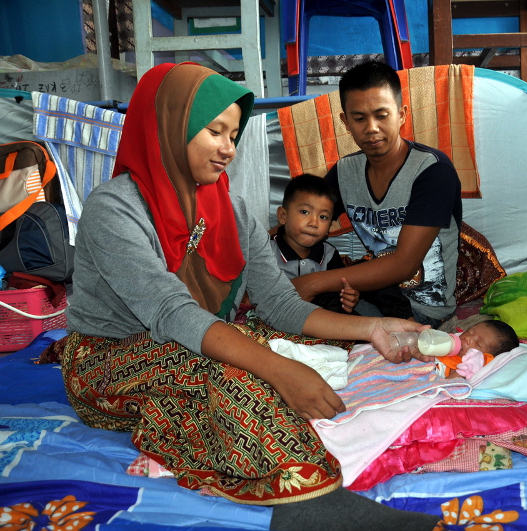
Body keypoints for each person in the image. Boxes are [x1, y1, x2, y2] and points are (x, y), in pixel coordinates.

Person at [56, 62, 439, 531]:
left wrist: (373, 328)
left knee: (295, 341)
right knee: (238, 367)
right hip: (108, 358)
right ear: (169, 126)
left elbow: (281, 305)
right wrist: (280, 371)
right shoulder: (113, 209)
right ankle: (308, 498)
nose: (227, 150)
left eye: (233, 135)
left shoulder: (229, 208)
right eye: (214, 132)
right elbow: (173, 313)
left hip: (184, 338)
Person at [290, 61, 462, 328]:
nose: (371, 128)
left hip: (423, 312)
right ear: (345, 122)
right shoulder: (346, 171)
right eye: (359, 118)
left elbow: (404, 264)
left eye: (382, 115)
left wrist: (311, 283)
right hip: (368, 295)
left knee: (307, 312)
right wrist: (264, 257)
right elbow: (301, 221)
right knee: (290, 309)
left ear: (402, 114)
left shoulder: (433, 171)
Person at [272, 173, 413, 318]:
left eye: (323, 217)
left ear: (329, 227)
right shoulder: (267, 251)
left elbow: (341, 291)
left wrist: (350, 296)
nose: (314, 223)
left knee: (376, 274)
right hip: (283, 315)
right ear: (283, 216)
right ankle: (358, 332)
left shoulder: (328, 253)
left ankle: (408, 321)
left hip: (325, 318)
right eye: (304, 212)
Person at [437, 319, 520, 379]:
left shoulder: (470, 365)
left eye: (478, 344)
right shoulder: (451, 340)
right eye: (469, 332)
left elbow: (448, 384)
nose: (468, 338)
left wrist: (462, 373)